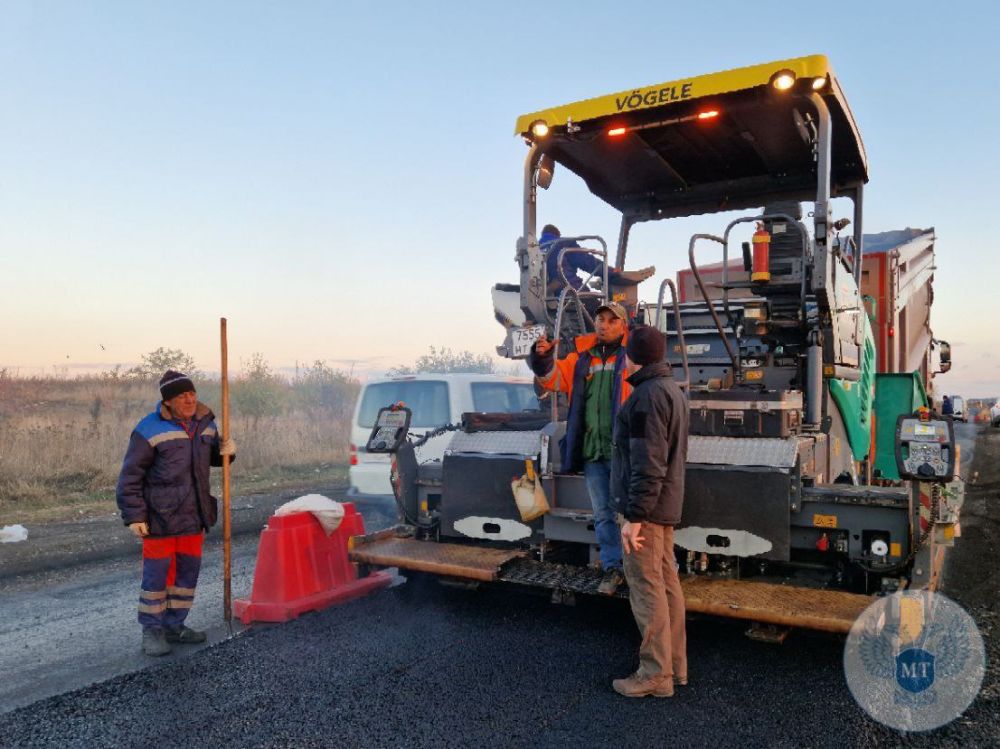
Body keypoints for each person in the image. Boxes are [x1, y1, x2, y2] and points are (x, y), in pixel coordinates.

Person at [116, 370, 235, 656]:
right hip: (160, 518)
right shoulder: (149, 429)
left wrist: (227, 452)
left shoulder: (206, 425)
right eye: (183, 395)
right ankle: (152, 631)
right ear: (168, 401)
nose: (190, 399)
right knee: (157, 580)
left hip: (194, 517)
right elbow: (130, 477)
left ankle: (175, 625)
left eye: (192, 394)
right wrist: (134, 516)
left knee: (186, 577)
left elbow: (213, 459)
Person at [528, 301, 631, 594]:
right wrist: (543, 359)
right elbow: (551, 379)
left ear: (624, 325)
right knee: (603, 515)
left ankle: (638, 572)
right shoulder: (580, 360)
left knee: (633, 516)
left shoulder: (634, 358)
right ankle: (613, 569)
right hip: (594, 453)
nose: (604, 324)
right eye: (601, 319)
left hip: (624, 454)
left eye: (612, 320)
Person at [610, 325, 688, 698]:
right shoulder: (672, 389)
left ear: (634, 356)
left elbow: (648, 462)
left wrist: (635, 516)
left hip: (648, 511)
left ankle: (655, 675)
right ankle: (675, 668)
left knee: (646, 588)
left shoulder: (645, 397)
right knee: (667, 584)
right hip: (665, 506)